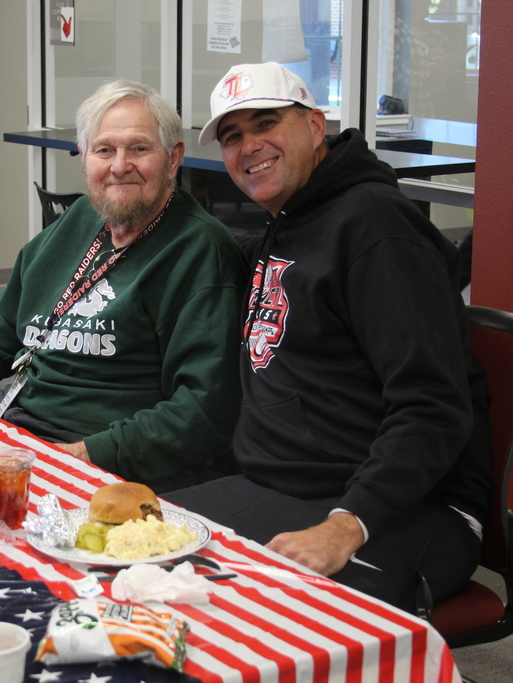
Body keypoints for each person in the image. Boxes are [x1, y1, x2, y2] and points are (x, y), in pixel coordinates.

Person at [163, 62, 492, 614]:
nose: (249, 146)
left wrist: (345, 527)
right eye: (232, 136)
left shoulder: (377, 229)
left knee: (240, 615)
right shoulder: (288, 220)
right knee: (128, 552)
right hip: (283, 489)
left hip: (402, 506)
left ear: (316, 127)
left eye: (265, 123)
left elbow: (432, 407)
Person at [0, 80, 247, 493]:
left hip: (108, 461)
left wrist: (85, 454)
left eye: (139, 148)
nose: (119, 165)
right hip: (21, 426)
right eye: (104, 150)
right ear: (85, 160)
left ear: (173, 158)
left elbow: (205, 408)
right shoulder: (78, 220)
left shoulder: (200, 251)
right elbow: (6, 325)